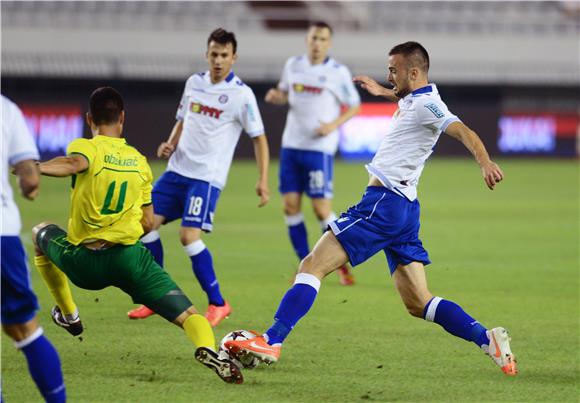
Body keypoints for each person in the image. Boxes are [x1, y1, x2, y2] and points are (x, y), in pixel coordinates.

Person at [226, 42, 518, 376]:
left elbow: (461, 130)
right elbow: (409, 100)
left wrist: (484, 161)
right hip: (404, 209)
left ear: (413, 72)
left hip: (383, 205)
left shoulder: (428, 105)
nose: (389, 75)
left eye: (394, 70)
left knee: (312, 264)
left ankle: (272, 340)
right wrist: (384, 91)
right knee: (418, 302)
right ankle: (487, 339)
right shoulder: (413, 99)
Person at [31, 87, 243, 384]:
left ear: (90, 118)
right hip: (129, 260)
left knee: (40, 231)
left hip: (84, 264)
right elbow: (147, 222)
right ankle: (208, 348)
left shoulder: (87, 147)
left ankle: (69, 315)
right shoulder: (139, 162)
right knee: (189, 314)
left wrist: (36, 167)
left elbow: (72, 164)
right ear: (123, 118)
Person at [127, 28, 270, 324]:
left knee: (188, 237)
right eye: (214, 54)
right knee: (143, 224)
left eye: (224, 55)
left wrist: (263, 179)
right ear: (207, 54)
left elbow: (259, 138)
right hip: (176, 171)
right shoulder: (194, 83)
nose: (218, 60)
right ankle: (156, 296)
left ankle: (218, 303)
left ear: (234, 58)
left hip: (206, 177)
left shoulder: (241, 95)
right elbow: (183, 119)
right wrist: (170, 142)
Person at [265, 21, 360, 286]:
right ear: (307, 40)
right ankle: (305, 265)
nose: (317, 43)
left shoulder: (337, 72)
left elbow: (354, 106)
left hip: (319, 150)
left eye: (322, 38)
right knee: (290, 206)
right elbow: (286, 93)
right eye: (313, 38)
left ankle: (340, 261)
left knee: (321, 210)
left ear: (329, 43)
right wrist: (277, 96)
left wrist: (332, 125)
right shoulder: (293, 65)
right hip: (291, 146)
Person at [1, 94, 67, 402]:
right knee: (25, 331)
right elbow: (29, 178)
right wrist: (29, 185)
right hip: (2, 235)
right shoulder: (7, 109)